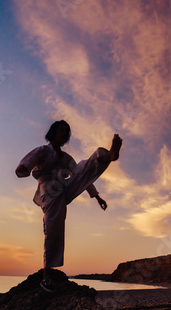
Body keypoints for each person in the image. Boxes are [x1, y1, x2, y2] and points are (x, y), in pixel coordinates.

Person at [15, 120, 122, 292]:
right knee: (53, 229)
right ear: (53, 132)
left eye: (67, 132)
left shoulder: (65, 158)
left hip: (63, 188)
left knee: (81, 166)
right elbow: (27, 163)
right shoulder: (43, 151)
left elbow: (82, 175)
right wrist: (23, 168)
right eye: (61, 130)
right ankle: (46, 276)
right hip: (49, 191)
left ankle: (108, 155)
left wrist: (97, 197)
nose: (64, 134)